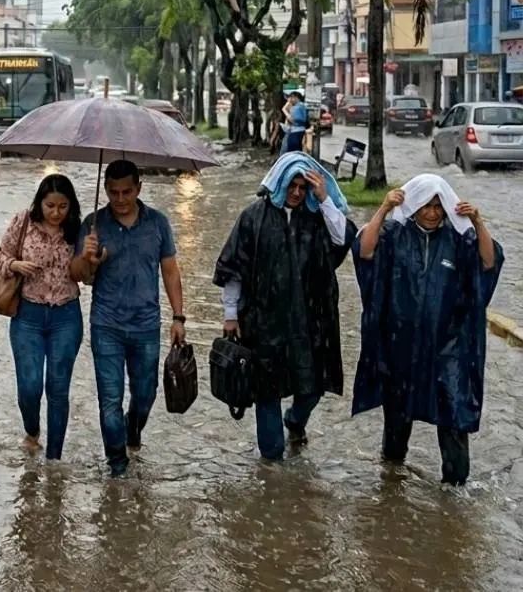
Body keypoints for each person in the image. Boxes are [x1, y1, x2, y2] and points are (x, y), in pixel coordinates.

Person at [352, 174, 503, 486]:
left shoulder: (458, 240)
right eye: (426, 206)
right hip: (402, 347)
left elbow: (488, 263)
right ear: (415, 206)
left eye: (438, 207)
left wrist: (478, 222)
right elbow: (365, 251)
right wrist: (384, 208)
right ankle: (391, 479)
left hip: (448, 351)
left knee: (454, 416)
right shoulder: (395, 234)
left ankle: (456, 491)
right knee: (397, 421)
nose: (433, 213)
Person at [213, 152, 356, 461]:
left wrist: (324, 198)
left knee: (312, 386)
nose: (296, 193)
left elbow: (341, 237)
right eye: (292, 186)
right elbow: (235, 268)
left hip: (311, 321)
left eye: (303, 187)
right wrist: (230, 315)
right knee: (267, 390)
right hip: (264, 322)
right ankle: (272, 464)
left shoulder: (317, 217)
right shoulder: (253, 217)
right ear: (279, 183)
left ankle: (295, 420)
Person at [69, 160, 185, 477]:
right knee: (110, 400)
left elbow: (170, 271)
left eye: (127, 192)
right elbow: (76, 275)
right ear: (106, 190)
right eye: (113, 192)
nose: (120, 199)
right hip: (106, 325)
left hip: (146, 324)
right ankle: (118, 467)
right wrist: (87, 257)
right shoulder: (93, 225)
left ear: (139, 189)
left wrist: (179, 317)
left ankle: (132, 430)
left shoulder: (158, 223)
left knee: (146, 394)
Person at [0, 174, 83, 460]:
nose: (56, 213)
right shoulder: (23, 222)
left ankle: (54, 459)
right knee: (29, 386)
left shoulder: (79, 230)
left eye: (62, 206)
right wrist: (14, 265)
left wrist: (93, 256)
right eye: (50, 206)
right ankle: (32, 432)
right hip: (27, 316)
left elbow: (88, 275)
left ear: (71, 206)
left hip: (66, 316)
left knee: (58, 388)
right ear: (39, 203)